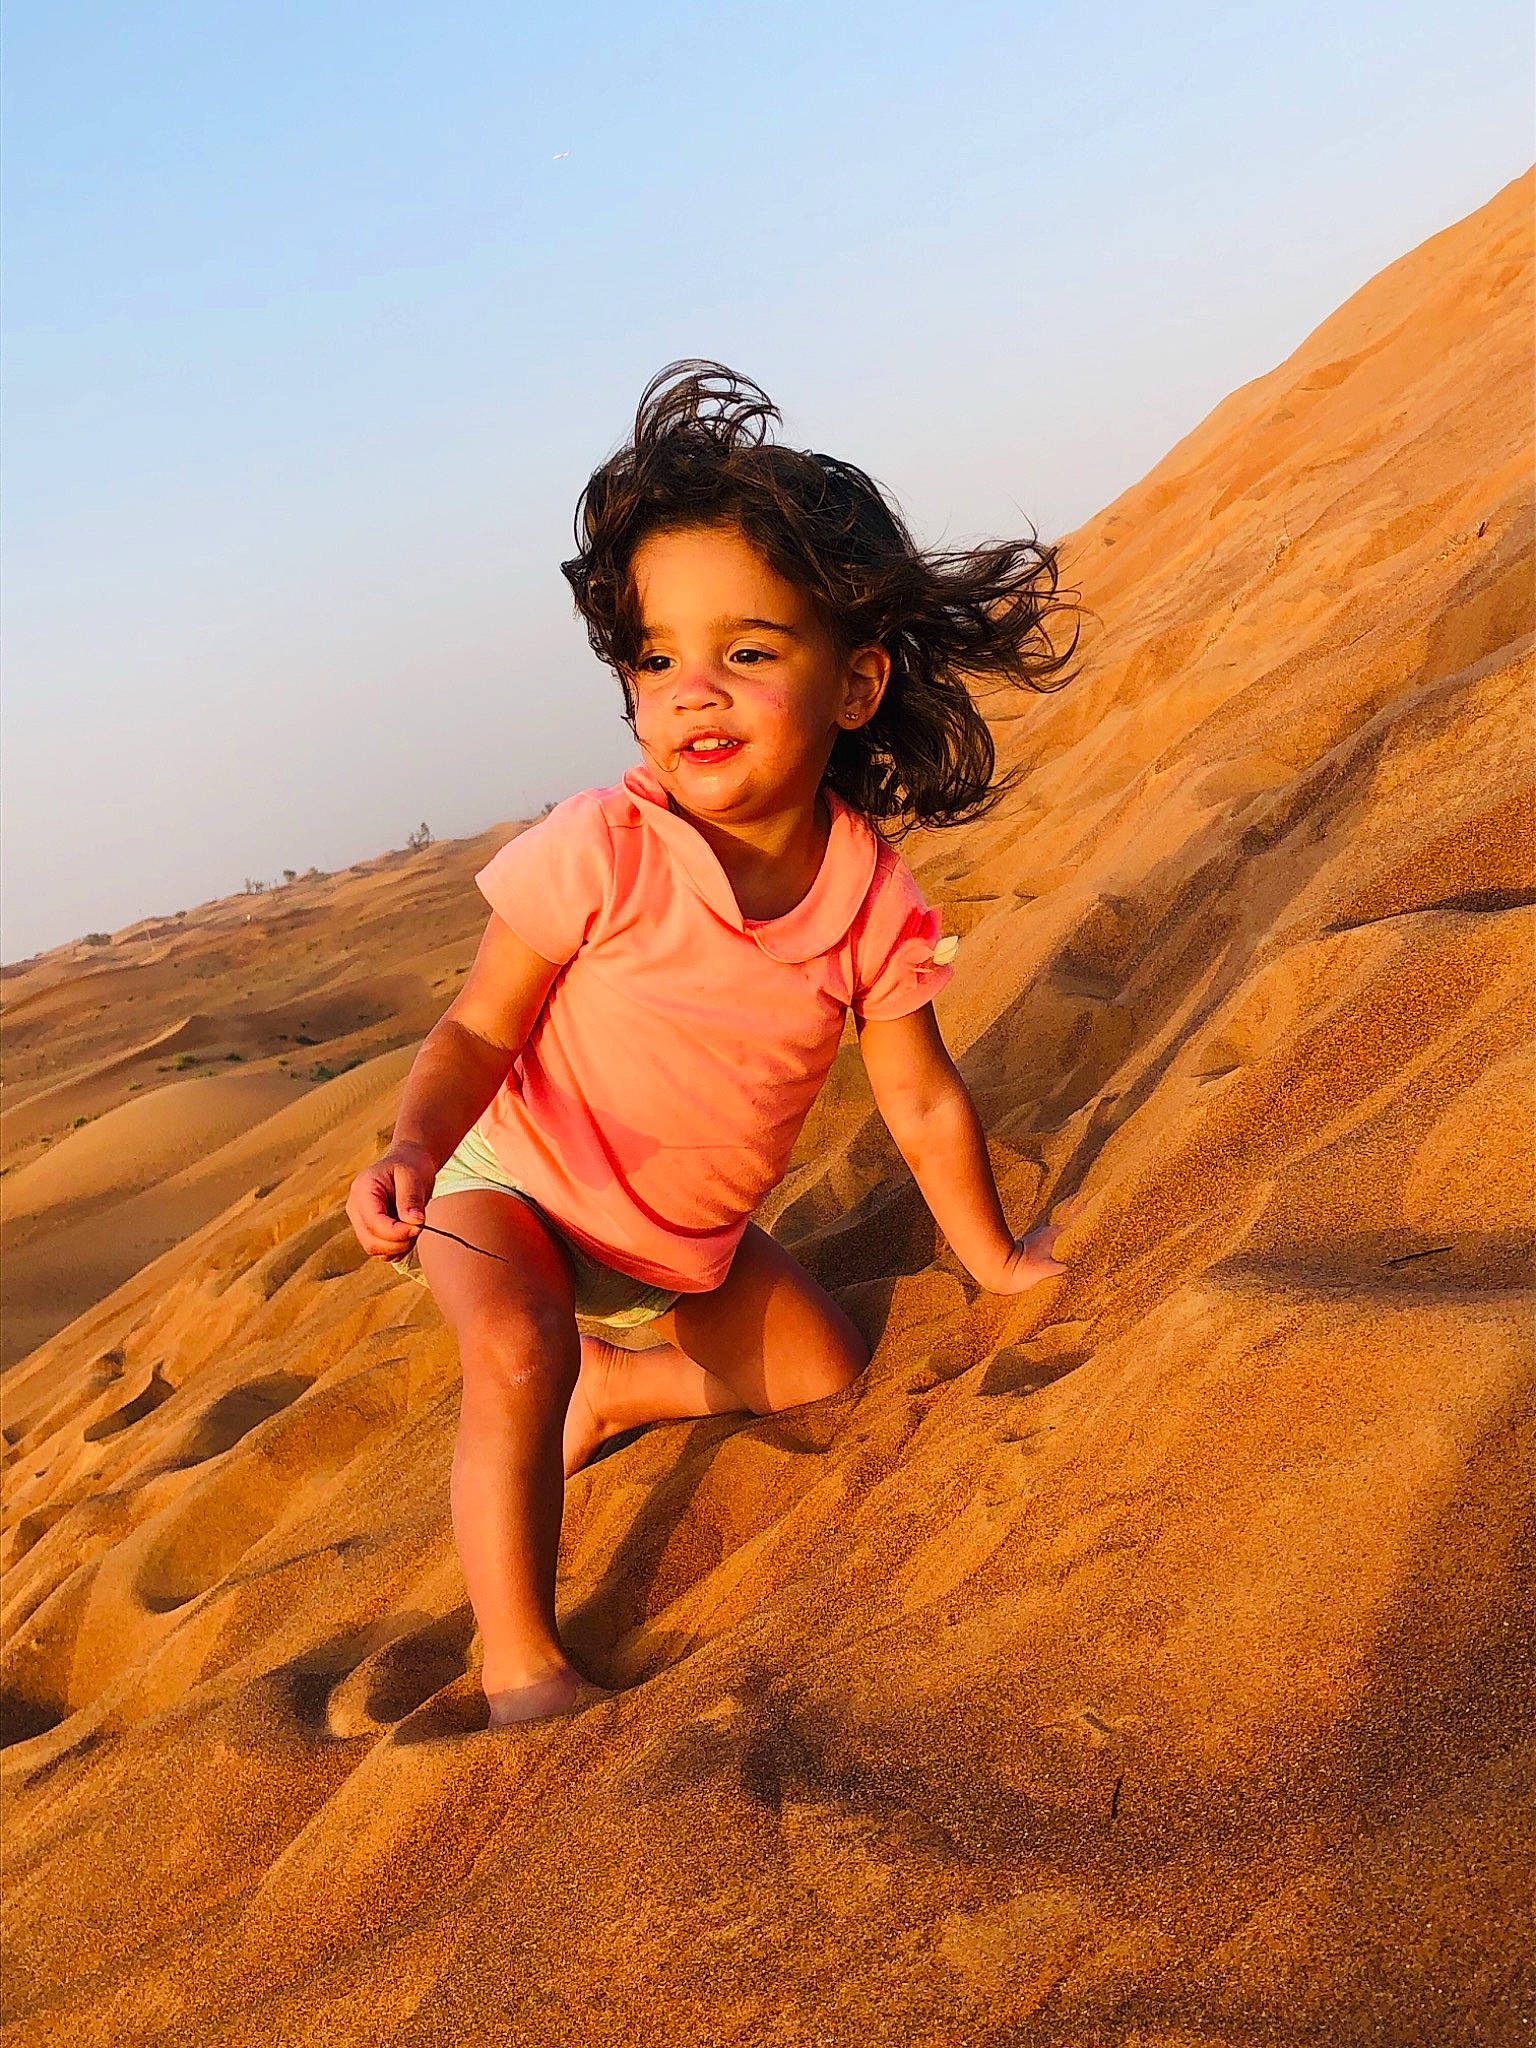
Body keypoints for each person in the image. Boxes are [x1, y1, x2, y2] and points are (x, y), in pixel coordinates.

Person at [346, 362, 1079, 1726]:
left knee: (822, 1368)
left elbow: (921, 1101)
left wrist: (992, 1262)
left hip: (673, 1253)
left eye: (747, 653)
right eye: (657, 658)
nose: (696, 691)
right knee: (515, 1351)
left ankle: (618, 1389)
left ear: (854, 683)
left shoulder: (871, 900)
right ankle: (519, 1661)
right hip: (509, 1190)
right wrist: (413, 1149)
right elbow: (479, 1025)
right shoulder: (602, 848)